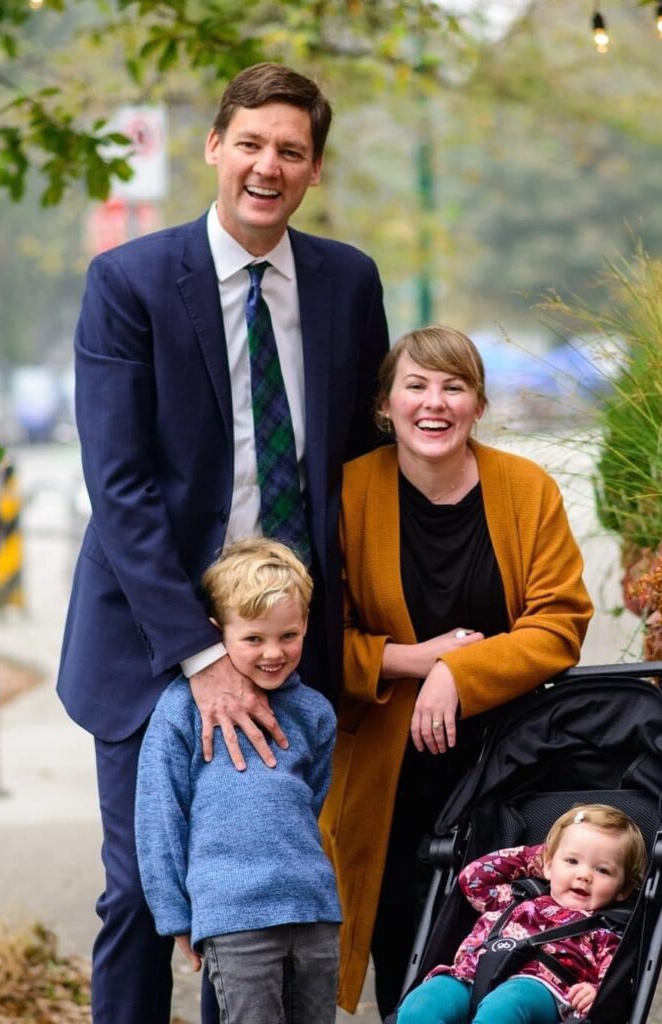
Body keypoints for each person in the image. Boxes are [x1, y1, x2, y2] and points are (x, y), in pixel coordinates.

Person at [56, 62, 389, 1024]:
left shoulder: (346, 282)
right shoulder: (128, 283)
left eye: (290, 150)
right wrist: (202, 657)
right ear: (213, 146)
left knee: (258, 903)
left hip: (286, 644)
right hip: (151, 638)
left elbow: (364, 464)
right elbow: (119, 489)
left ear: (314, 168)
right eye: (249, 143)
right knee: (138, 895)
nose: (266, 166)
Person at [320, 326, 595, 1016]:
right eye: (415, 386)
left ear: (477, 404)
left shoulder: (525, 489)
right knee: (404, 955)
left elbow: (560, 623)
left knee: (511, 946)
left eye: (454, 386)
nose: (433, 403)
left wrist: (460, 673)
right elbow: (320, 636)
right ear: (385, 406)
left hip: (508, 764)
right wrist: (419, 660)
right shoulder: (349, 493)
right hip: (391, 769)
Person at [135, 538, 341, 1024]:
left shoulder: (315, 713)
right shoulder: (182, 708)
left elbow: (311, 800)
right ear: (217, 632)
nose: (274, 652)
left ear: (305, 625)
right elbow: (160, 815)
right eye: (253, 639)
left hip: (313, 912)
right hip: (235, 918)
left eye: (288, 635)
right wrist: (175, 915)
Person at [396, 804, 647, 1023]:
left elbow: (615, 979)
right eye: (571, 861)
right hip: (469, 975)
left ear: (623, 888)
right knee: (420, 1005)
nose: (584, 875)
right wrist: (537, 858)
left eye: (602, 870)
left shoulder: (604, 930)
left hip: (539, 987)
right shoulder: (514, 898)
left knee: (503, 1008)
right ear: (547, 865)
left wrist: (595, 992)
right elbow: (472, 879)